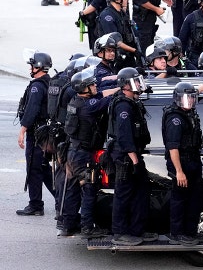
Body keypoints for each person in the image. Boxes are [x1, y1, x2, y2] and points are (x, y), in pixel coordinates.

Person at [60, 68, 117, 238]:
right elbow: (106, 100)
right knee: (89, 189)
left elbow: (101, 94)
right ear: (85, 88)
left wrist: (118, 87)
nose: (95, 85)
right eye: (92, 84)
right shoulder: (89, 106)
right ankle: (87, 227)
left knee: (72, 189)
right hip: (83, 155)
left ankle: (68, 224)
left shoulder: (76, 100)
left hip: (72, 152)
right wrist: (122, 90)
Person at [108, 67, 155, 246]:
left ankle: (137, 230)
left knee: (140, 194)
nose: (138, 85)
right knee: (124, 194)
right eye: (135, 82)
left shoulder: (132, 101)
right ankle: (120, 233)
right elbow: (124, 135)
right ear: (126, 85)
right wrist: (134, 160)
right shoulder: (123, 106)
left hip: (134, 154)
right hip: (125, 156)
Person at [162, 82, 203, 246]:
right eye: (186, 98)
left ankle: (190, 232)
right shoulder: (175, 118)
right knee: (180, 200)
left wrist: (199, 90)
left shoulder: (188, 113)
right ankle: (177, 233)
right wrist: (179, 171)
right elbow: (173, 147)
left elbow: (194, 97)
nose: (190, 101)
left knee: (195, 199)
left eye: (192, 98)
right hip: (182, 163)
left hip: (193, 161)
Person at [16, 51, 54, 216]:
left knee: (33, 168)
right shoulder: (49, 83)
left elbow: (31, 110)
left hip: (37, 134)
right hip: (46, 132)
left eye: (32, 65)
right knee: (44, 169)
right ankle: (62, 199)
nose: (30, 68)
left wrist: (23, 129)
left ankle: (35, 205)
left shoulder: (37, 86)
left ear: (38, 66)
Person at [98, 0, 142, 69]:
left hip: (127, 55)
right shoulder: (108, 16)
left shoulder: (121, 13)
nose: (127, 0)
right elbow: (115, 41)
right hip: (115, 58)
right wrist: (135, 51)